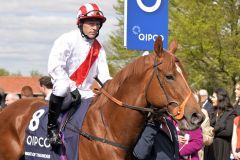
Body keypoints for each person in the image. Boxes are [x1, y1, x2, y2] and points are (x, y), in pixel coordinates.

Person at [47, 3, 111, 147]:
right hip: (65, 91)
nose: (95, 27)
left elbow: (105, 77)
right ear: (81, 23)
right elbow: (55, 67)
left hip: (86, 93)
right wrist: (72, 86)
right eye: (91, 23)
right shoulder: (67, 39)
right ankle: (51, 128)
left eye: (98, 24)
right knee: (63, 86)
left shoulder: (99, 49)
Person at [204, 88, 237, 160]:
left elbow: (228, 132)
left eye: (214, 97)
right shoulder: (212, 111)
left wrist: (213, 131)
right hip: (209, 147)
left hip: (222, 147)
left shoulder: (230, 113)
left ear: (220, 98)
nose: (212, 99)